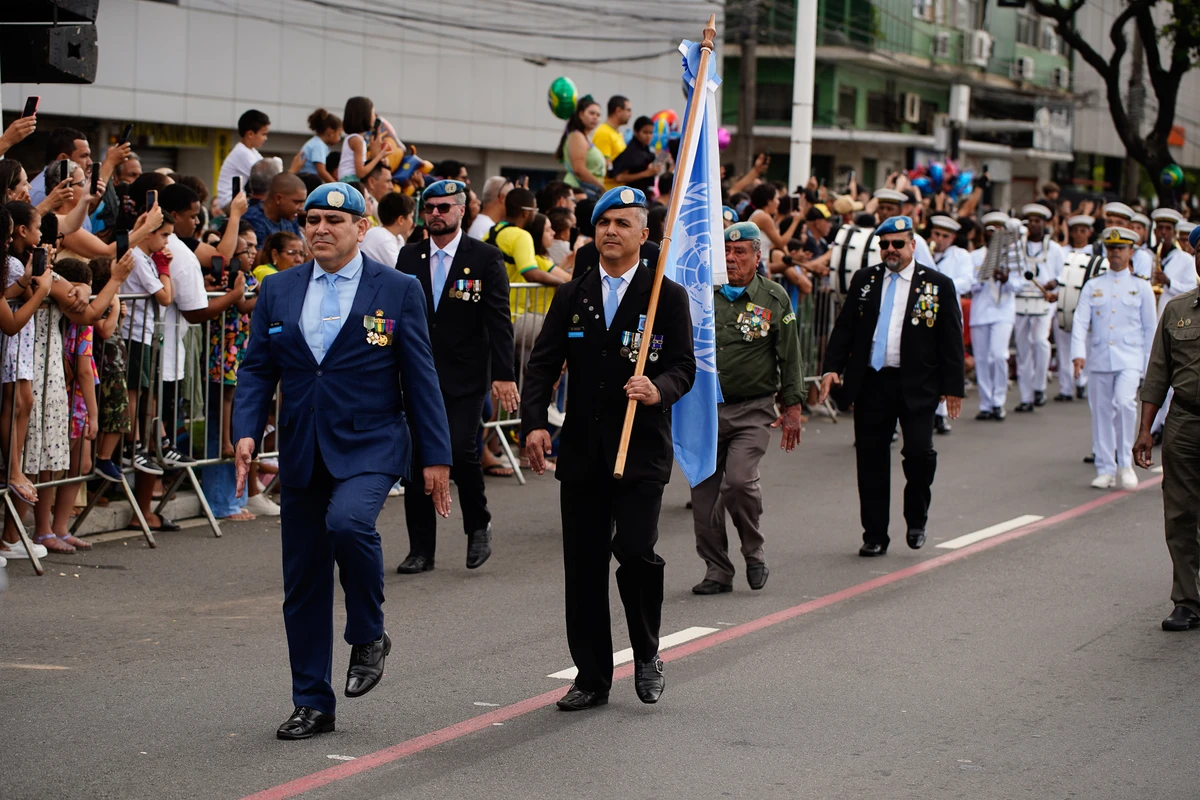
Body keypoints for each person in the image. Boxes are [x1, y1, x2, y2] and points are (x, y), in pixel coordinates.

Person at [231, 182, 452, 739]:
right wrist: (245, 433)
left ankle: (369, 634)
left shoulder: (397, 288)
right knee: (303, 581)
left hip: (372, 440)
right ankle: (312, 701)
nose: (320, 229)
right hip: (303, 446)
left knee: (349, 523)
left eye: (335, 219)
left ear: (361, 226)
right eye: (312, 220)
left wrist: (436, 456)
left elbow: (420, 376)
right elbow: (257, 369)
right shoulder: (278, 289)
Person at [520, 186, 695, 711]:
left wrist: (657, 388)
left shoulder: (667, 295)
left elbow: (684, 367)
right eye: (603, 223)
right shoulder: (575, 293)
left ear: (645, 234)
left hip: (639, 450)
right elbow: (544, 363)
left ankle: (646, 653)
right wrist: (533, 423)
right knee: (585, 564)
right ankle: (592, 675)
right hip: (584, 452)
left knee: (636, 552)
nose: (610, 231)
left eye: (623, 223)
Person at [818, 216, 965, 557]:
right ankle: (874, 534)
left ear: (913, 245)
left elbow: (951, 339)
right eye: (884, 244)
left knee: (918, 453)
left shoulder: (938, 284)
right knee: (870, 460)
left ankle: (916, 518)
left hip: (917, 384)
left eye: (897, 243)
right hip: (872, 382)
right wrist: (831, 369)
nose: (890, 250)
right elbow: (844, 330)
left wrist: (953, 386)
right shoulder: (865, 280)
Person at [394, 179, 517, 573]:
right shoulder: (408, 257)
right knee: (416, 458)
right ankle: (421, 549)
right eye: (429, 207)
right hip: (417, 375)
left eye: (444, 207)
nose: (435, 214)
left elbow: (499, 320)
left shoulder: (484, 257)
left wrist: (504, 374)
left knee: (462, 452)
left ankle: (477, 524)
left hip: (464, 376)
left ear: (463, 210)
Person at [690, 222, 803, 595]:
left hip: (752, 410)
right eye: (726, 250)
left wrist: (793, 406)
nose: (731, 257)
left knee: (738, 482)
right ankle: (718, 570)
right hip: (704, 411)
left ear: (758, 256)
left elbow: (790, 356)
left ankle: (754, 552)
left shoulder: (773, 298)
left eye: (740, 252)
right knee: (704, 499)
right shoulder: (704, 293)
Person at [1134, 223, 1200, 630]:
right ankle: (1188, 600)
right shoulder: (1177, 311)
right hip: (1186, 421)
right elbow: (1158, 374)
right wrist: (1145, 429)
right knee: (1179, 513)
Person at [1070, 227, 1157, 490]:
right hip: (1099, 357)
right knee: (1101, 413)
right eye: (1111, 248)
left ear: (1131, 251)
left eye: (1120, 248)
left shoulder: (1141, 287)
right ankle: (1106, 468)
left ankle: (1125, 464)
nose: (1115, 253)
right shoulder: (1094, 285)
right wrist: (1078, 354)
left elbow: (1150, 328)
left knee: (1124, 403)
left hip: (1130, 357)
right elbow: (1080, 320)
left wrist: (1150, 367)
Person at [969, 212, 1025, 420]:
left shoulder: (1013, 256)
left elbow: (1019, 285)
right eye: (990, 230)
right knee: (982, 359)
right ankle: (986, 403)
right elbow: (969, 284)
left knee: (999, 355)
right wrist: (984, 276)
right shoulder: (975, 256)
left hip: (1003, 311)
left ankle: (999, 401)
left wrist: (1006, 279)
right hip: (980, 312)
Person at [1012, 204, 1064, 413]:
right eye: (1030, 220)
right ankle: (1026, 396)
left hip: (1043, 300)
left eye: (1038, 221)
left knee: (1041, 342)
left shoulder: (1055, 249)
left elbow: (1064, 274)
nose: (1034, 225)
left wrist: (1054, 283)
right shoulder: (1016, 247)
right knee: (1022, 348)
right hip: (1021, 300)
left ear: (1045, 223)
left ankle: (1040, 386)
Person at [927, 215, 974, 434]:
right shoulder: (923, 250)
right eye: (937, 234)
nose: (940, 239)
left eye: (945, 236)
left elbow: (967, 280)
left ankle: (941, 414)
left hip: (947, 313)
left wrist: (943, 286)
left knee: (945, 360)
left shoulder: (960, 255)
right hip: (924, 312)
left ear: (953, 237)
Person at [216, 109, 269, 209]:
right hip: (230, 202)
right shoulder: (242, 153)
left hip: (238, 198)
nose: (265, 138)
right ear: (250, 134)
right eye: (263, 134)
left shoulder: (251, 151)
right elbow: (265, 178)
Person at [556, 96, 606, 200]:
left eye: (598, 115)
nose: (595, 117)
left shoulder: (585, 137)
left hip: (587, 192)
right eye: (591, 113)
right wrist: (601, 187)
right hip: (578, 191)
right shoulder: (577, 136)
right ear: (581, 114)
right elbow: (579, 169)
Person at [337, 97, 394, 183]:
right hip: (351, 181)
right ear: (364, 116)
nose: (375, 117)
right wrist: (380, 156)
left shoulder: (354, 138)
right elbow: (360, 172)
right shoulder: (357, 140)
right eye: (373, 113)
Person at [243, 173, 306, 245]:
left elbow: (304, 251)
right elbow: (259, 255)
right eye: (297, 202)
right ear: (278, 198)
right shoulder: (253, 219)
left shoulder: (290, 217)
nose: (301, 208)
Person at [360, 192, 415, 267]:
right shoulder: (384, 239)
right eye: (411, 217)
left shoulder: (397, 237)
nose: (413, 222)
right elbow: (401, 272)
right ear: (401, 220)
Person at [296, 108, 342, 184]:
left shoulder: (315, 143)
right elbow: (321, 171)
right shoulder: (319, 146)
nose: (339, 138)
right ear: (331, 132)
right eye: (339, 134)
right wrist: (337, 186)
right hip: (309, 182)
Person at [594, 95, 631, 190]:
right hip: (607, 192)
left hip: (617, 191)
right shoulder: (604, 132)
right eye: (628, 110)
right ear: (618, 111)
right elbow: (603, 166)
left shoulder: (617, 133)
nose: (630, 114)